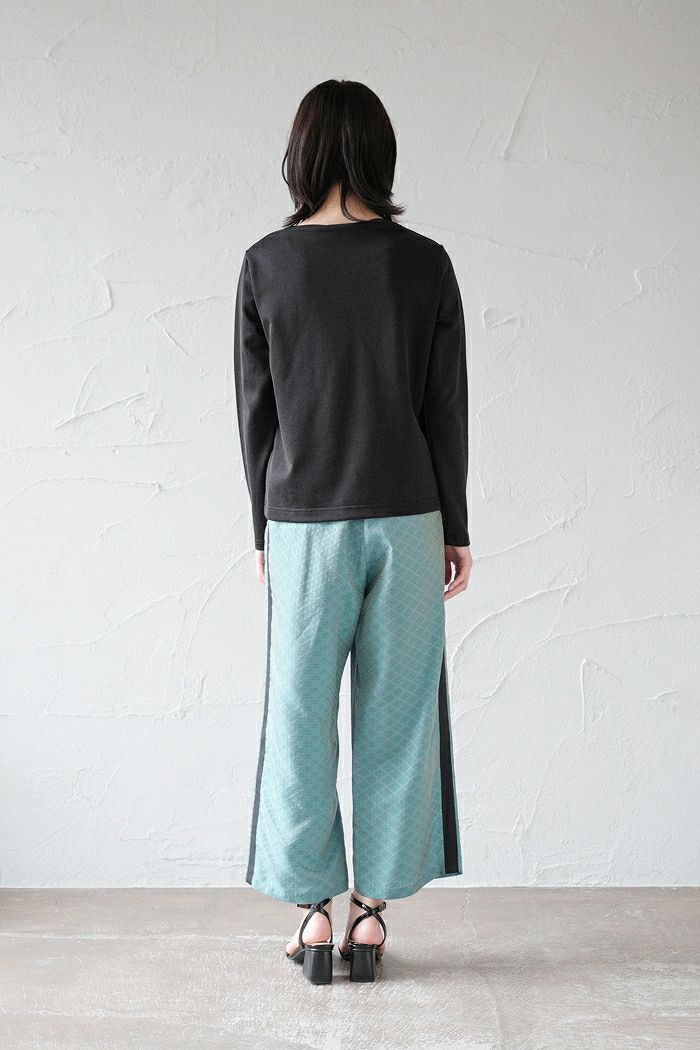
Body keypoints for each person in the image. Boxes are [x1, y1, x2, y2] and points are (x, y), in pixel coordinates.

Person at [234, 78, 472, 985]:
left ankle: (312, 912)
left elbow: (255, 415)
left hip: (303, 518)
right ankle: (370, 914)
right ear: (381, 152)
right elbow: (444, 406)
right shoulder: (425, 263)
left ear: (301, 155)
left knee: (298, 715)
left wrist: (263, 527)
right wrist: (455, 524)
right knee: (399, 718)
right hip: (409, 516)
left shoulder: (267, 264)